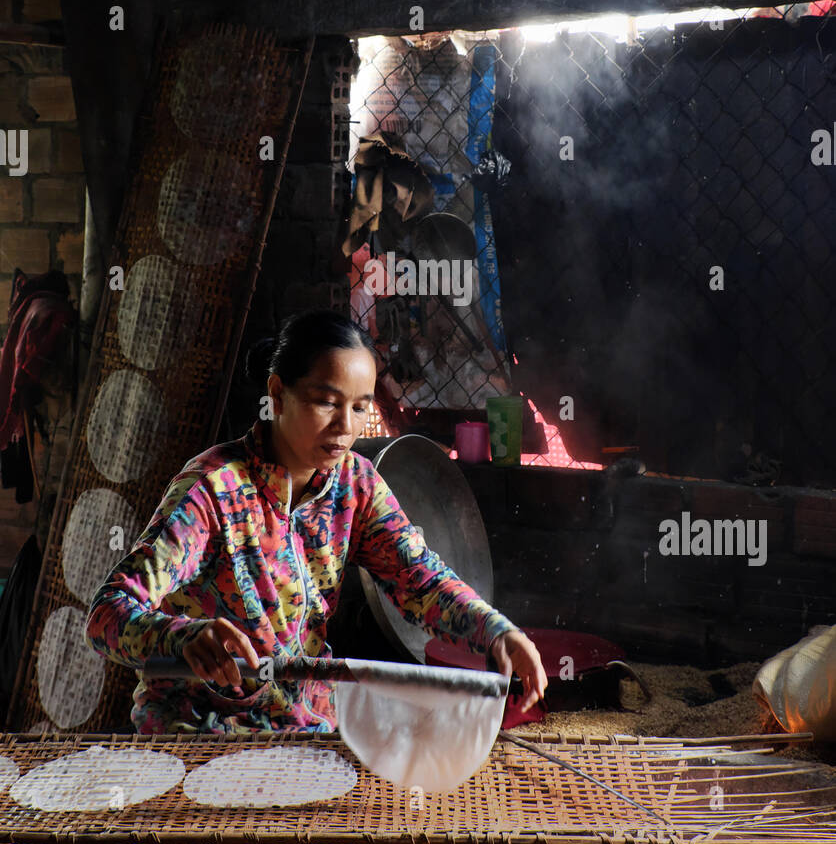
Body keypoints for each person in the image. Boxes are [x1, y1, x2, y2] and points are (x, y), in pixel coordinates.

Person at [85, 309, 547, 734]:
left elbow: (420, 580)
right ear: (277, 395)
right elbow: (107, 614)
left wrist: (498, 631)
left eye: (361, 406)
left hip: (303, 729)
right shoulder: (213, 490)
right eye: (326, 402)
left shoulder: (355, 485)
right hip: (199, 734)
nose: (345, 426)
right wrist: (182, 636)